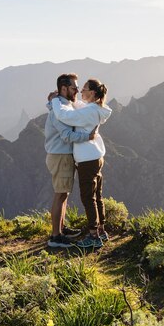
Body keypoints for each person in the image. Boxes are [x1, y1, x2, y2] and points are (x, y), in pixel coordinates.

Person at [51, 78, 112, 248]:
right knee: (97, 196)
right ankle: (101, 230)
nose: (80, 92)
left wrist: (54, 101)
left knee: (88, 197)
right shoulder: (94, 108)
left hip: (87, 160)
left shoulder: (89, 111)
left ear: (92, 93)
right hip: (96, 157)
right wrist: (65, 100)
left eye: (83, 89)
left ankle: (93, 236)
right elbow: (78, 107)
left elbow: (65, 115)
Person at [45, 73, 97, 248]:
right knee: (60, 194)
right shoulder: (58, 109)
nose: (77, 90)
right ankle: (55, 237)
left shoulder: (62, 104)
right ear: (64, 88)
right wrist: (88, 137)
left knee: (64, 193)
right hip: (60, 156)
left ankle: (61, 229)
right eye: (74, 87)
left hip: (63, 155)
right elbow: (67, 135)